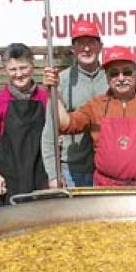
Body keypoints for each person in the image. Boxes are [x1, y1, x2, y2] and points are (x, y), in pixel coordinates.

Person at [43, 46, 136, 187]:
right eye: (114, 73)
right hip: (106, 190)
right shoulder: (96, 106)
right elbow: (67, 124)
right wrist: (53, 91)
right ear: (107, 77)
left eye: (127, 72)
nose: (121, 78)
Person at [0, 43, 49, 206]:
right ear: (5, 70)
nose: (19, 74)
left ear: (32, 65)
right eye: (13, 69)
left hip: (41, 179)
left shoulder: (45, 98)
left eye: (23, 68)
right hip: (8, 182)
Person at [42, 20, 106, 188]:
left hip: (108, 170)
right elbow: (50, 131)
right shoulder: (60, 81)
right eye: (80, 44)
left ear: (100, 47)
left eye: (91, 43)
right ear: (73, 49)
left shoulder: (112, 78)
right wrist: (53, 174)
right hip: (73, 170)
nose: (86, 48)